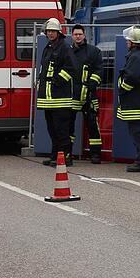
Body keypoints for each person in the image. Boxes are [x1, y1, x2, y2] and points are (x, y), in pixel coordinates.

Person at [36, 17, 75, 167]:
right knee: (52, 130)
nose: (50, 34)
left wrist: (56, 82)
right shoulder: (48, 47)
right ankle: (55, 156)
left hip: (60, 98)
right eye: (49, 31)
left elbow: (71, 68)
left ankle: (65, 157)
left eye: (53, 31)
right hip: (48, 99)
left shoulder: (65, 47)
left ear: (59, 33)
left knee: (62, 130)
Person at [117, 26, 140, 172]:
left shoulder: (136, 57)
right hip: (138, 101)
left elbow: (132, 77)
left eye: (129, 41)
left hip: (135, 102)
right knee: (138, 132)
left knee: (138, 133)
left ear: (134, 42)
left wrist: (122, 89)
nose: (127, 43)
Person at [70, 24, 103, 164]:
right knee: (68, 125)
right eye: (75, 34)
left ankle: (95, 155)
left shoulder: (94, 51)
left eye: (80, 34)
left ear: (84, 35)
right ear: (72, 36)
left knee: (92, 125)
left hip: (89, 95)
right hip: (72, 95)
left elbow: (99, 70)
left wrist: (91, 84)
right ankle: (66, 153)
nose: (78, 36)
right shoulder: (67, 51)